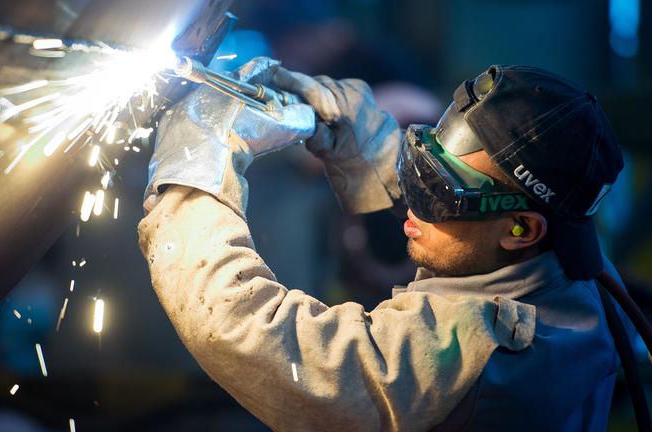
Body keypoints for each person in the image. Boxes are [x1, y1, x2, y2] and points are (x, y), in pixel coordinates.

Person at [139, 58, 625, 431]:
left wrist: (191, 176)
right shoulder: (574, 264)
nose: (414, 198)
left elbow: (253, 336)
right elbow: (467, 192)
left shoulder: (481, 353)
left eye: (438, 191)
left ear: (521, 229)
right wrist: (348, 128)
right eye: (423, 162)